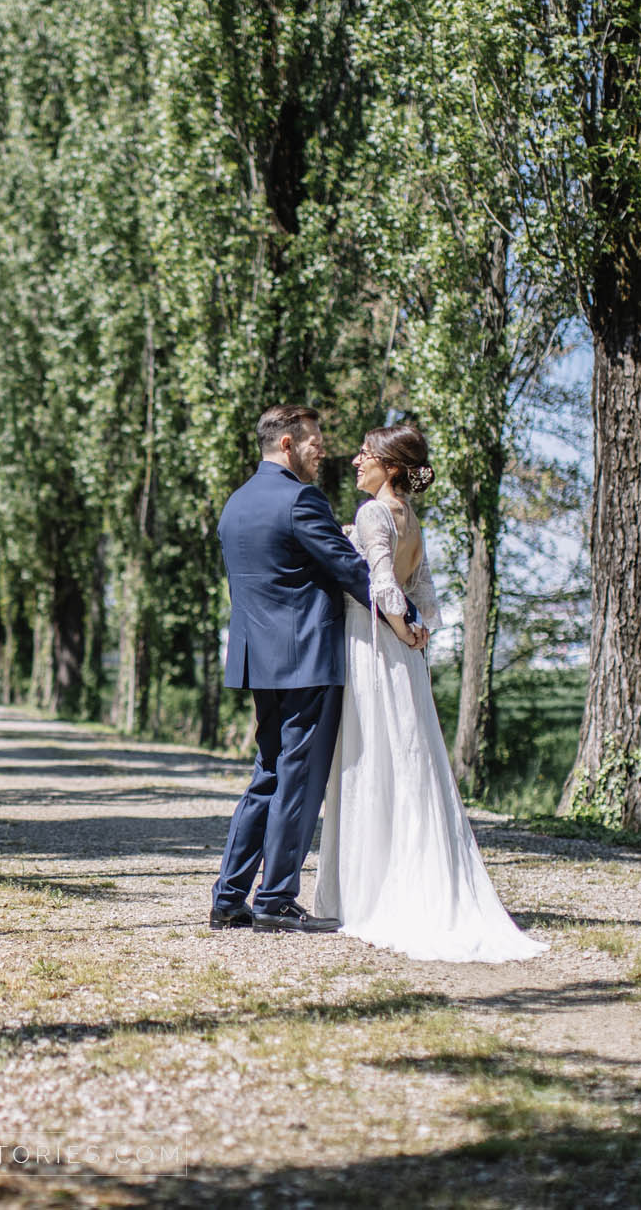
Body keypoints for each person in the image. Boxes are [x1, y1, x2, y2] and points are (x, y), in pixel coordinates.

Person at [310, 424, 546, 962]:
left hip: (372, 646)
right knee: (407, 762)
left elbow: (382, 587)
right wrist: (417, 631)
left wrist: (397, 626)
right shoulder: (410, 518)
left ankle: (370, 893)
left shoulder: (374, 513)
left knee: (371, 763)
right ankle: (412, 880)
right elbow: (424, 591)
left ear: (390, 466)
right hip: (404, 655)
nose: (355, 462)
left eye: (365, 455)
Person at [209, 405, 425, 934]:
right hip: (306, 658)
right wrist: (406, 617)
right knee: (297, 781)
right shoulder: (301, 499)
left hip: (258, 660)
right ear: (286, 443)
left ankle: (229, 896)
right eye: (313, 443)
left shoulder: (236, 504)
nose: (321, 451)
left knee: (267, 774)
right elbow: (349, 568)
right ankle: (277, 898)